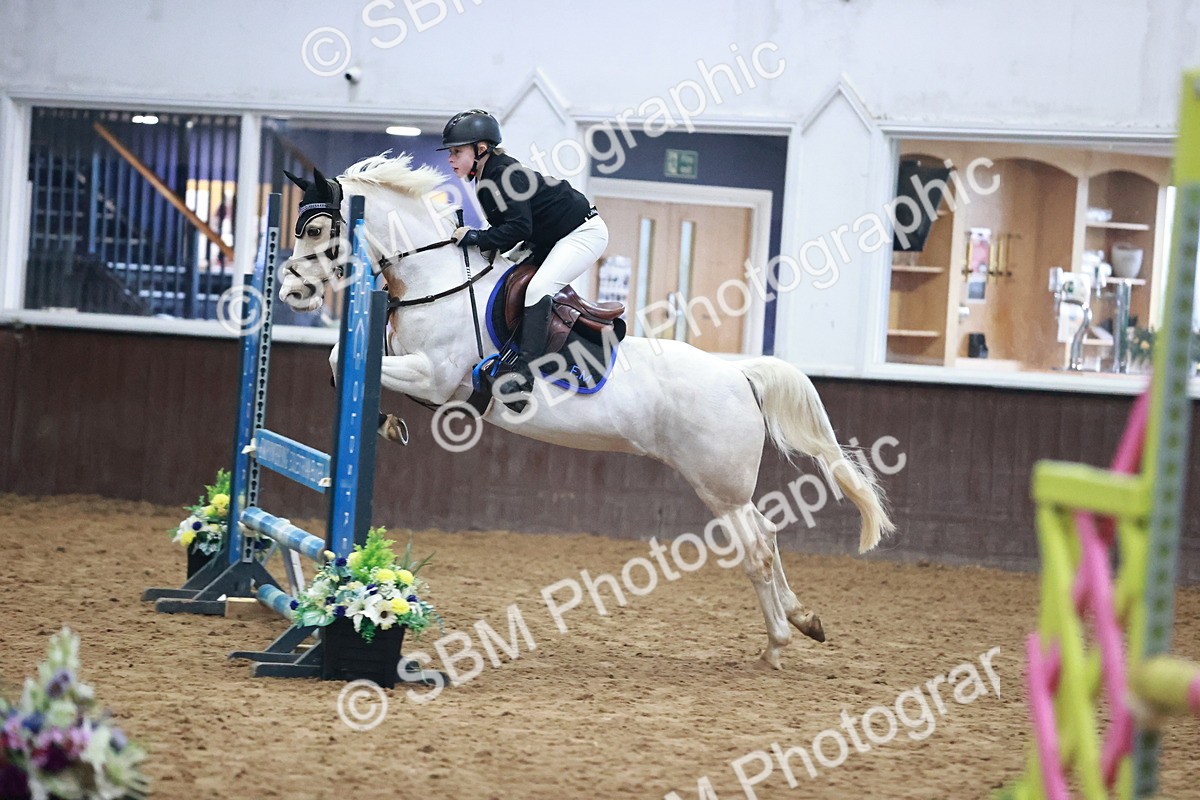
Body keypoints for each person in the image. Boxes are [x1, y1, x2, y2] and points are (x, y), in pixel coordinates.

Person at [440, 109, 609, 383]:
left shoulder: (502, 173)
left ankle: (524, 376)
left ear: (481, 149)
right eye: (450, 152)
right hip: (549, 236)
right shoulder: (485, 177)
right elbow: (511, 231)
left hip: (583, 232)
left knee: (539, 288)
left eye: (457, 151)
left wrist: (474, 237)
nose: (450, 158)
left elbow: (518, 229)